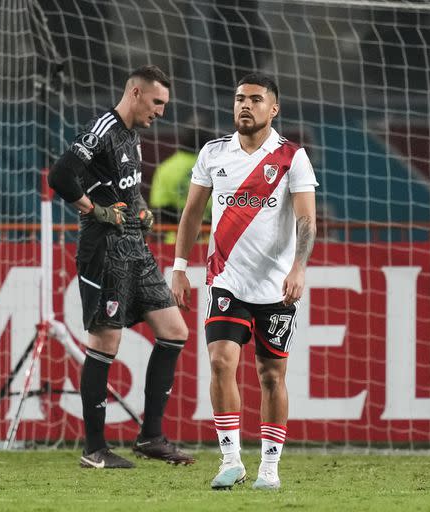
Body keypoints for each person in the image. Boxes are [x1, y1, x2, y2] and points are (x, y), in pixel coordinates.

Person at [171, 73, 318, 490]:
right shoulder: (214, 153)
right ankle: (230, 460)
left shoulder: (292, 157)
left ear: (273, 109)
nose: (245, 106)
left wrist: (299, 267)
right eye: (239, 99)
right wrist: (179, 266)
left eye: (255, 99)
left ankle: (269, 468)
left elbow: (306, 219)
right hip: (226, 280)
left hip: (275, 287)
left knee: (271, 376)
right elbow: (191, 214)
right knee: (220, 362)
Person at [48, 65, 195, 469]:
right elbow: (60, 175)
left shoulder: (132, 135)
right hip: (105, 251)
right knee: (104, 343)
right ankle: (94, 449)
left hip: (136, 247)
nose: (161, 111)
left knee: (174, 331)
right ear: (135, 93)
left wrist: (143, 212)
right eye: (157, 102)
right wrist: (93, 210)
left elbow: (128, 188)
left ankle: (151, 437)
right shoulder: (102, 127)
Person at [149, 118, 213, 243]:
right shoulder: (216, 165)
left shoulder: (167, 167)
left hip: (177, 243)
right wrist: (199, 223)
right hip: (211, 242)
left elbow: (160, 209)